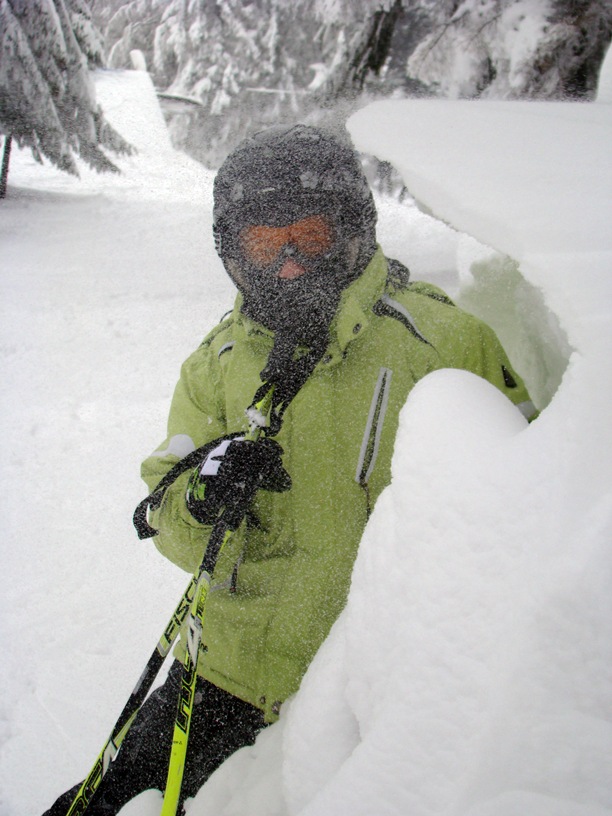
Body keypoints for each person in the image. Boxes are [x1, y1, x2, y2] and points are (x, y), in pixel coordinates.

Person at [44, 124, 536, 814]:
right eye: (265, 246)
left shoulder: (446, 342)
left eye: (309, 235)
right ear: (233, 251)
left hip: (368, 694)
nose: (291, 266)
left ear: (353, 228)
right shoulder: (217, 361)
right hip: (223, 675)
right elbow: (164, 516)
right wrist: (200, 494)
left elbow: (536, 500)